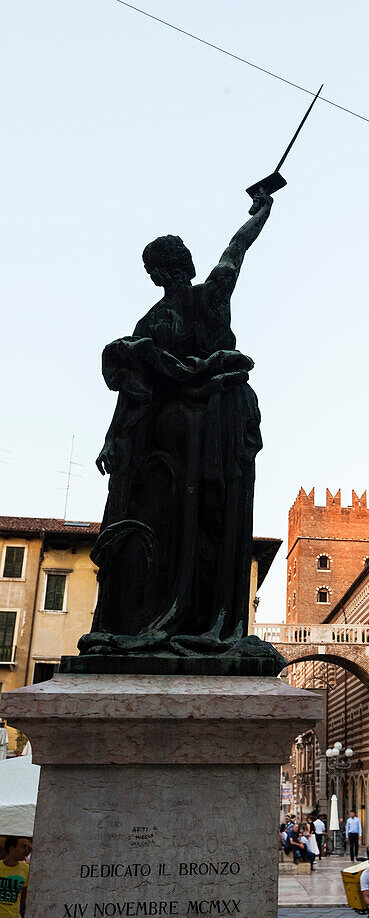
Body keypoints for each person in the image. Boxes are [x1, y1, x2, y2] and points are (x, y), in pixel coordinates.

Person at [79, 190, 279, 665]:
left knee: (195, 516)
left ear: (159, 272)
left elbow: (134, 390)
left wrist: (113, 437)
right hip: (203, 426)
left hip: (196, 429)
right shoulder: (207, 295)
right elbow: (238, 248)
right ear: (182, 265)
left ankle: (186, 620)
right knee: (203, 517)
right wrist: (260, 212)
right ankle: (191, 620)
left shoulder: (156, 319)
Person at [0, 837, 30, 918]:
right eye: (23, 847)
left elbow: (25, 897)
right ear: (12, 848)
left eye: (27, 848)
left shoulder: (26, 870)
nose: (26, 851)